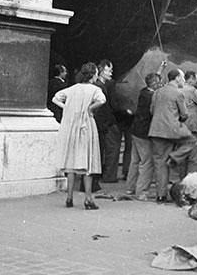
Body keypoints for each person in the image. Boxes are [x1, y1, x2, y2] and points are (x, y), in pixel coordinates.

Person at [149, 67, 197, 205]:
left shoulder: (157, 92)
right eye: (181, 78)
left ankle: (161, 196)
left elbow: (152, 110)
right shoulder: (181, 92)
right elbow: (184, 114)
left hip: (156, 131)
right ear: (177, 78)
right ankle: (190, 191)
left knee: (160, 164)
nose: (183, 80)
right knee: (195, 157)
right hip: (178, 131)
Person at [50, 63, 107, 210]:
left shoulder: (72, 88)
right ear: (93, 75)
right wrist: (90, 108)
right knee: (87, 162)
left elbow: (56, 98)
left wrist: (67, 108)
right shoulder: (95, 89)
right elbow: (102, 100)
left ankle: (69, 198)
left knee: (71, 161)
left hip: (70, 125)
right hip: (86, 124)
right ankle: (88, 199)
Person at [121, 64, 167, 201]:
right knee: (147, 162)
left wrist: (160, 70)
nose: (161, 85)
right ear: (154, 84)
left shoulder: (144, 91)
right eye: (159, 83)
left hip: (135, 131)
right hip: (144, 134)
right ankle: (141, 192)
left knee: (135, 161)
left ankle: (130, 188)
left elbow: (154, 81)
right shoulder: (152, 97)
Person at [93, 60, 123, 185]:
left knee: (104, 149)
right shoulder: (100, 86)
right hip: (105, 123)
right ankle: (107, 176)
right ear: (100, 71)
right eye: (108, 70)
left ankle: (100, 175)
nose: (111, 73)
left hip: (102, 122)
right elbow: (103, 108)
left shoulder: (101, 85)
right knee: (111, 148)